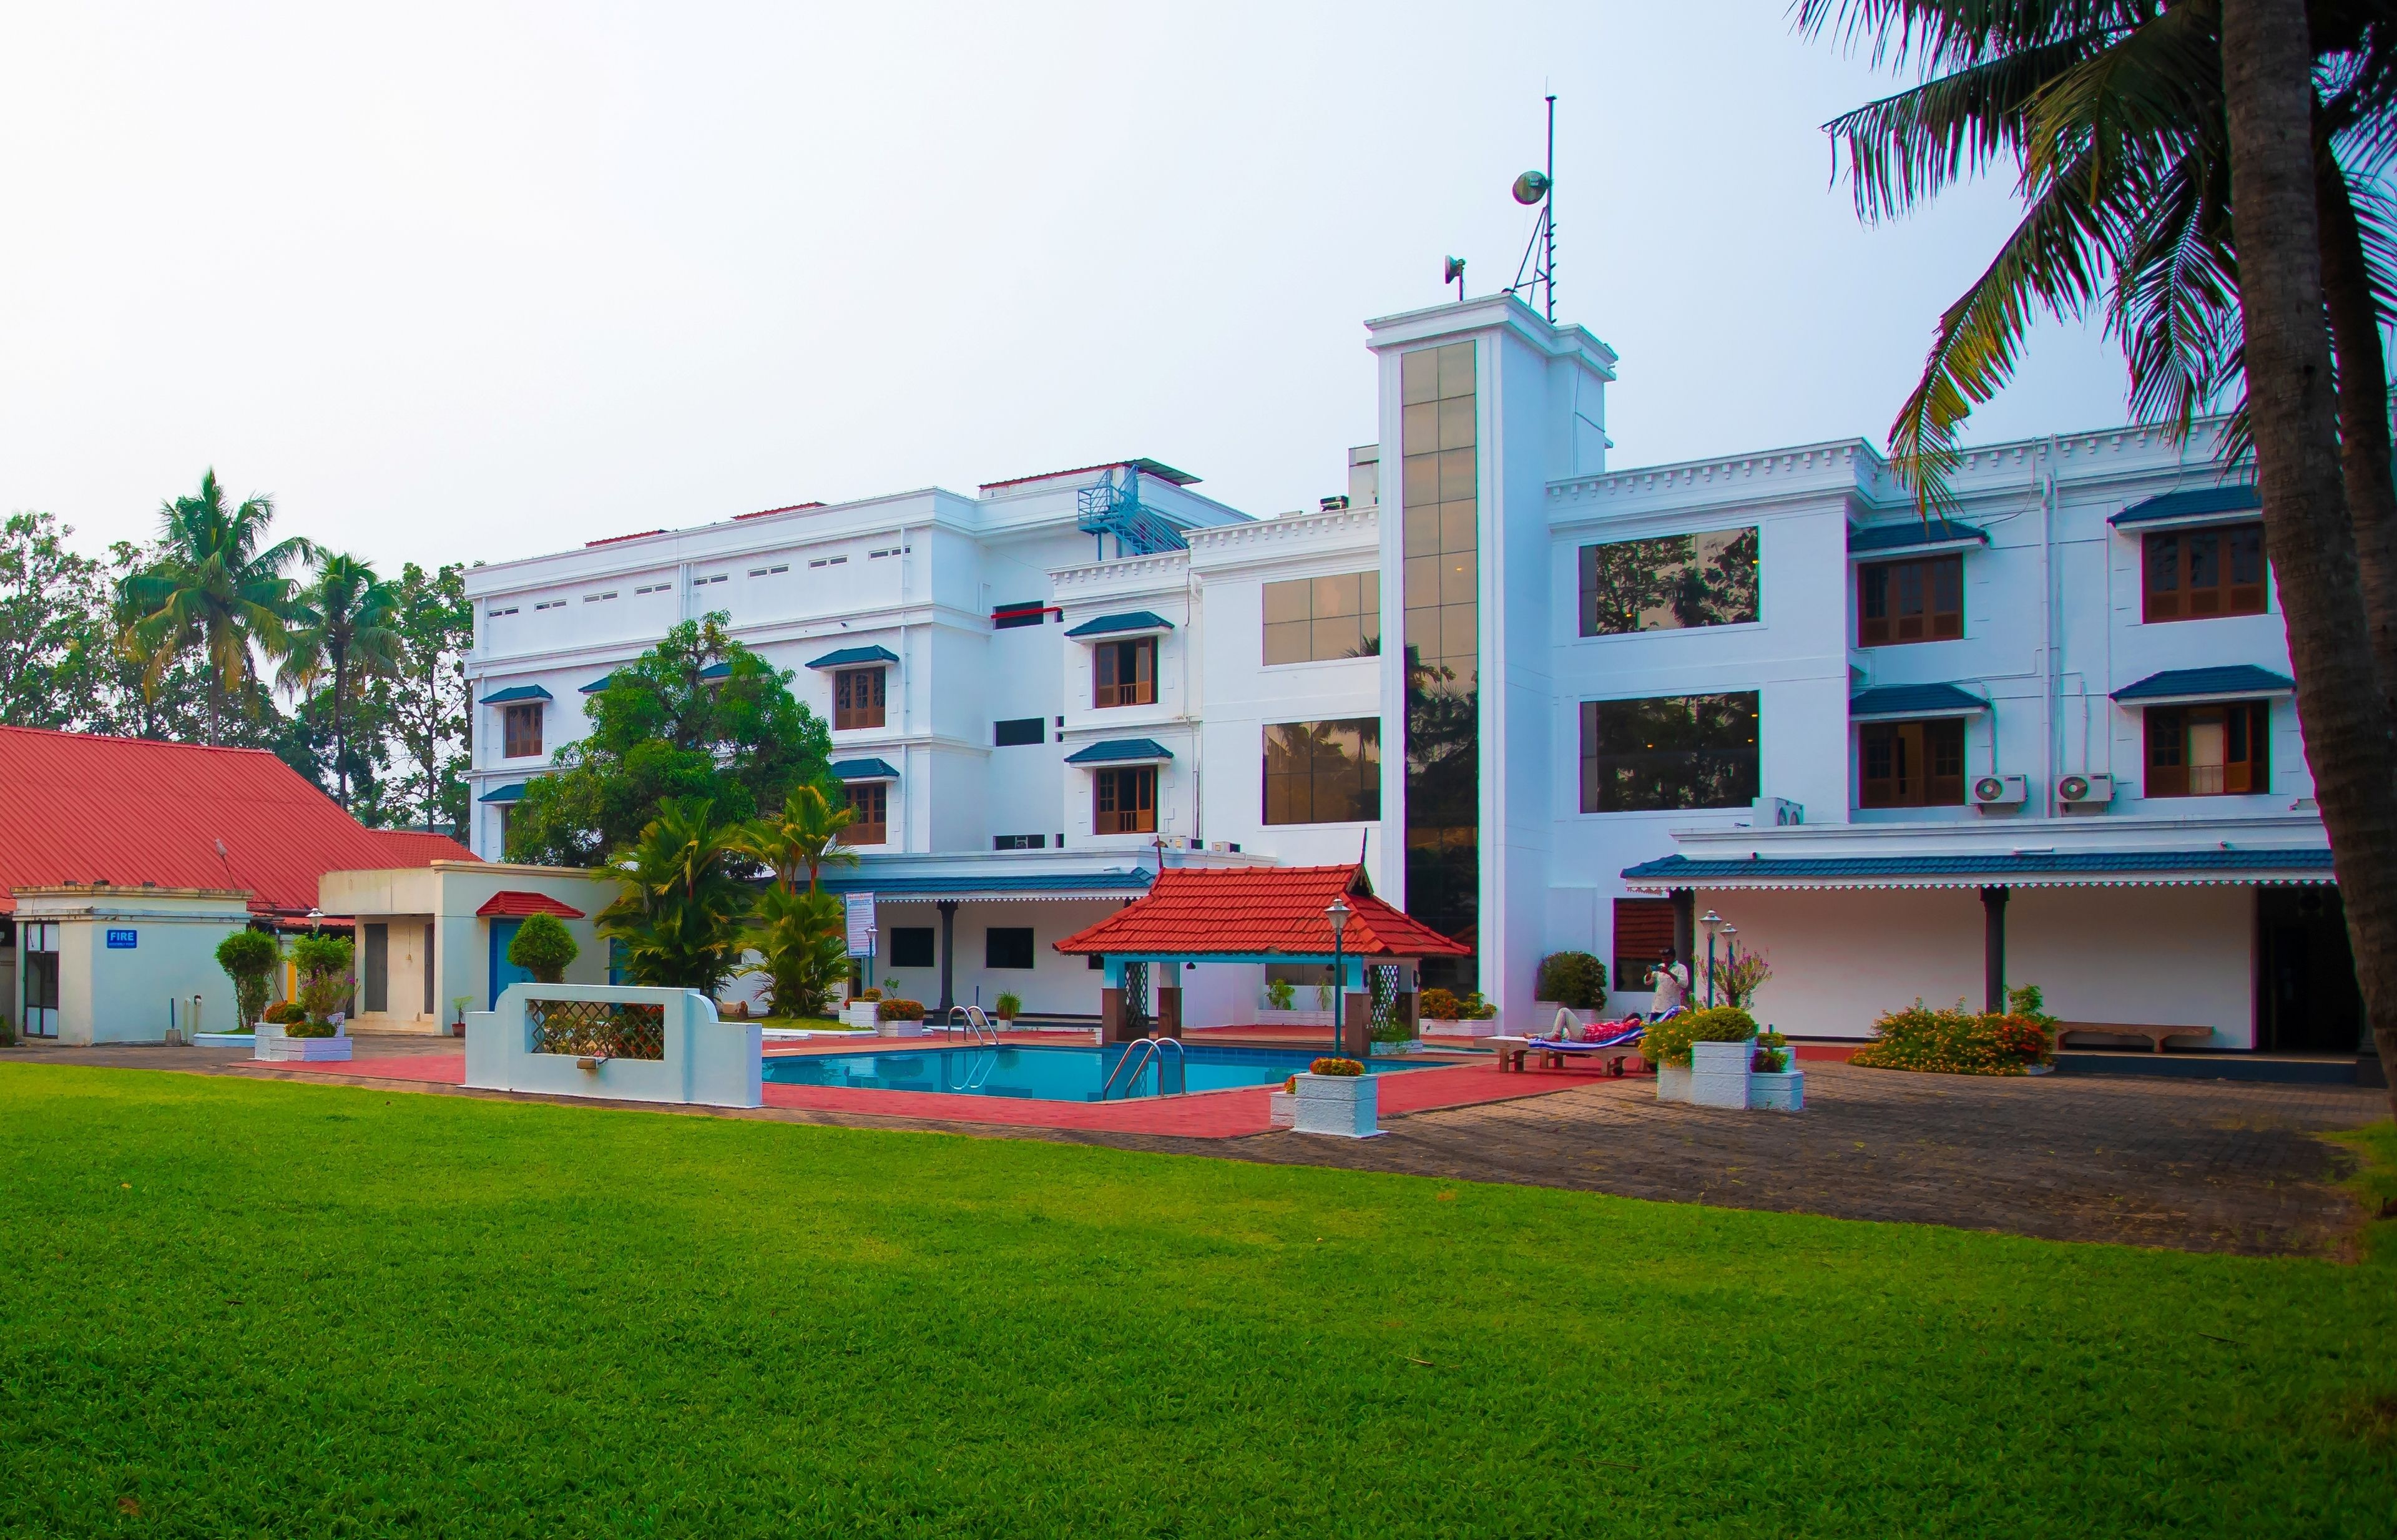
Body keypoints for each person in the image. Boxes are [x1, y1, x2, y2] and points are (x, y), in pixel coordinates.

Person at [1649, 946, 1690, 1022]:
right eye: (1663, 958)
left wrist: (1668, 973)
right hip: (1657, 1007)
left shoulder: (1681, 968)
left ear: (1673, 957)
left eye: (1667, 958)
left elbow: (1684, 984)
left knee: (1669, 1028)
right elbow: (1649, 982)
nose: (1665, 960)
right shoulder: (1660, 966)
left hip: (1672, 1008)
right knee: (1652, 1028)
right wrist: (1649, 974)